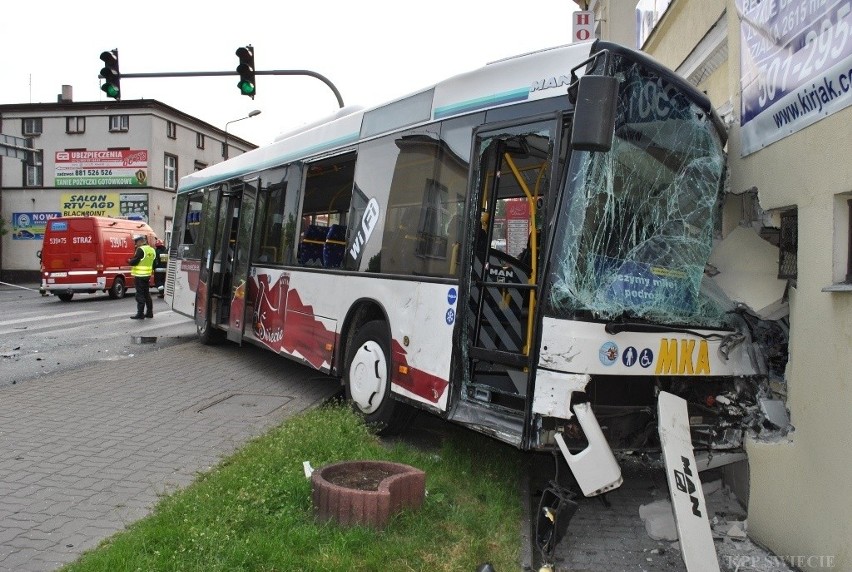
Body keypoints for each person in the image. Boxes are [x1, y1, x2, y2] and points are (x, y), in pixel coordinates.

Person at [127, 234, 156, 319]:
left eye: (136, 241)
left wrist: (129, 261)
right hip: (147, 276)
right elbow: (154, 263)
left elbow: (134, 261)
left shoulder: (140, 249)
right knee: (147, 294)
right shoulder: (152, 250)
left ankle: (140, 314)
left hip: (139, 276)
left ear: (140, 241)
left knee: (140, 295)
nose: (135, 243)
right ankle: (149, 313)